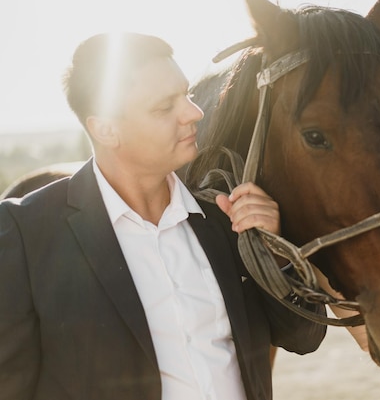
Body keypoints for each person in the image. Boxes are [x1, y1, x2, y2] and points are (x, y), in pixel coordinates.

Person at [0, 32, 326, 400]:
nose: (194, 113)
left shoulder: (226, 218)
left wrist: (276, 251)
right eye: (163, 107)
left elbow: (304, 337)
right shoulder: (25, 233)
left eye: (185, 94)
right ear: (106, 129)